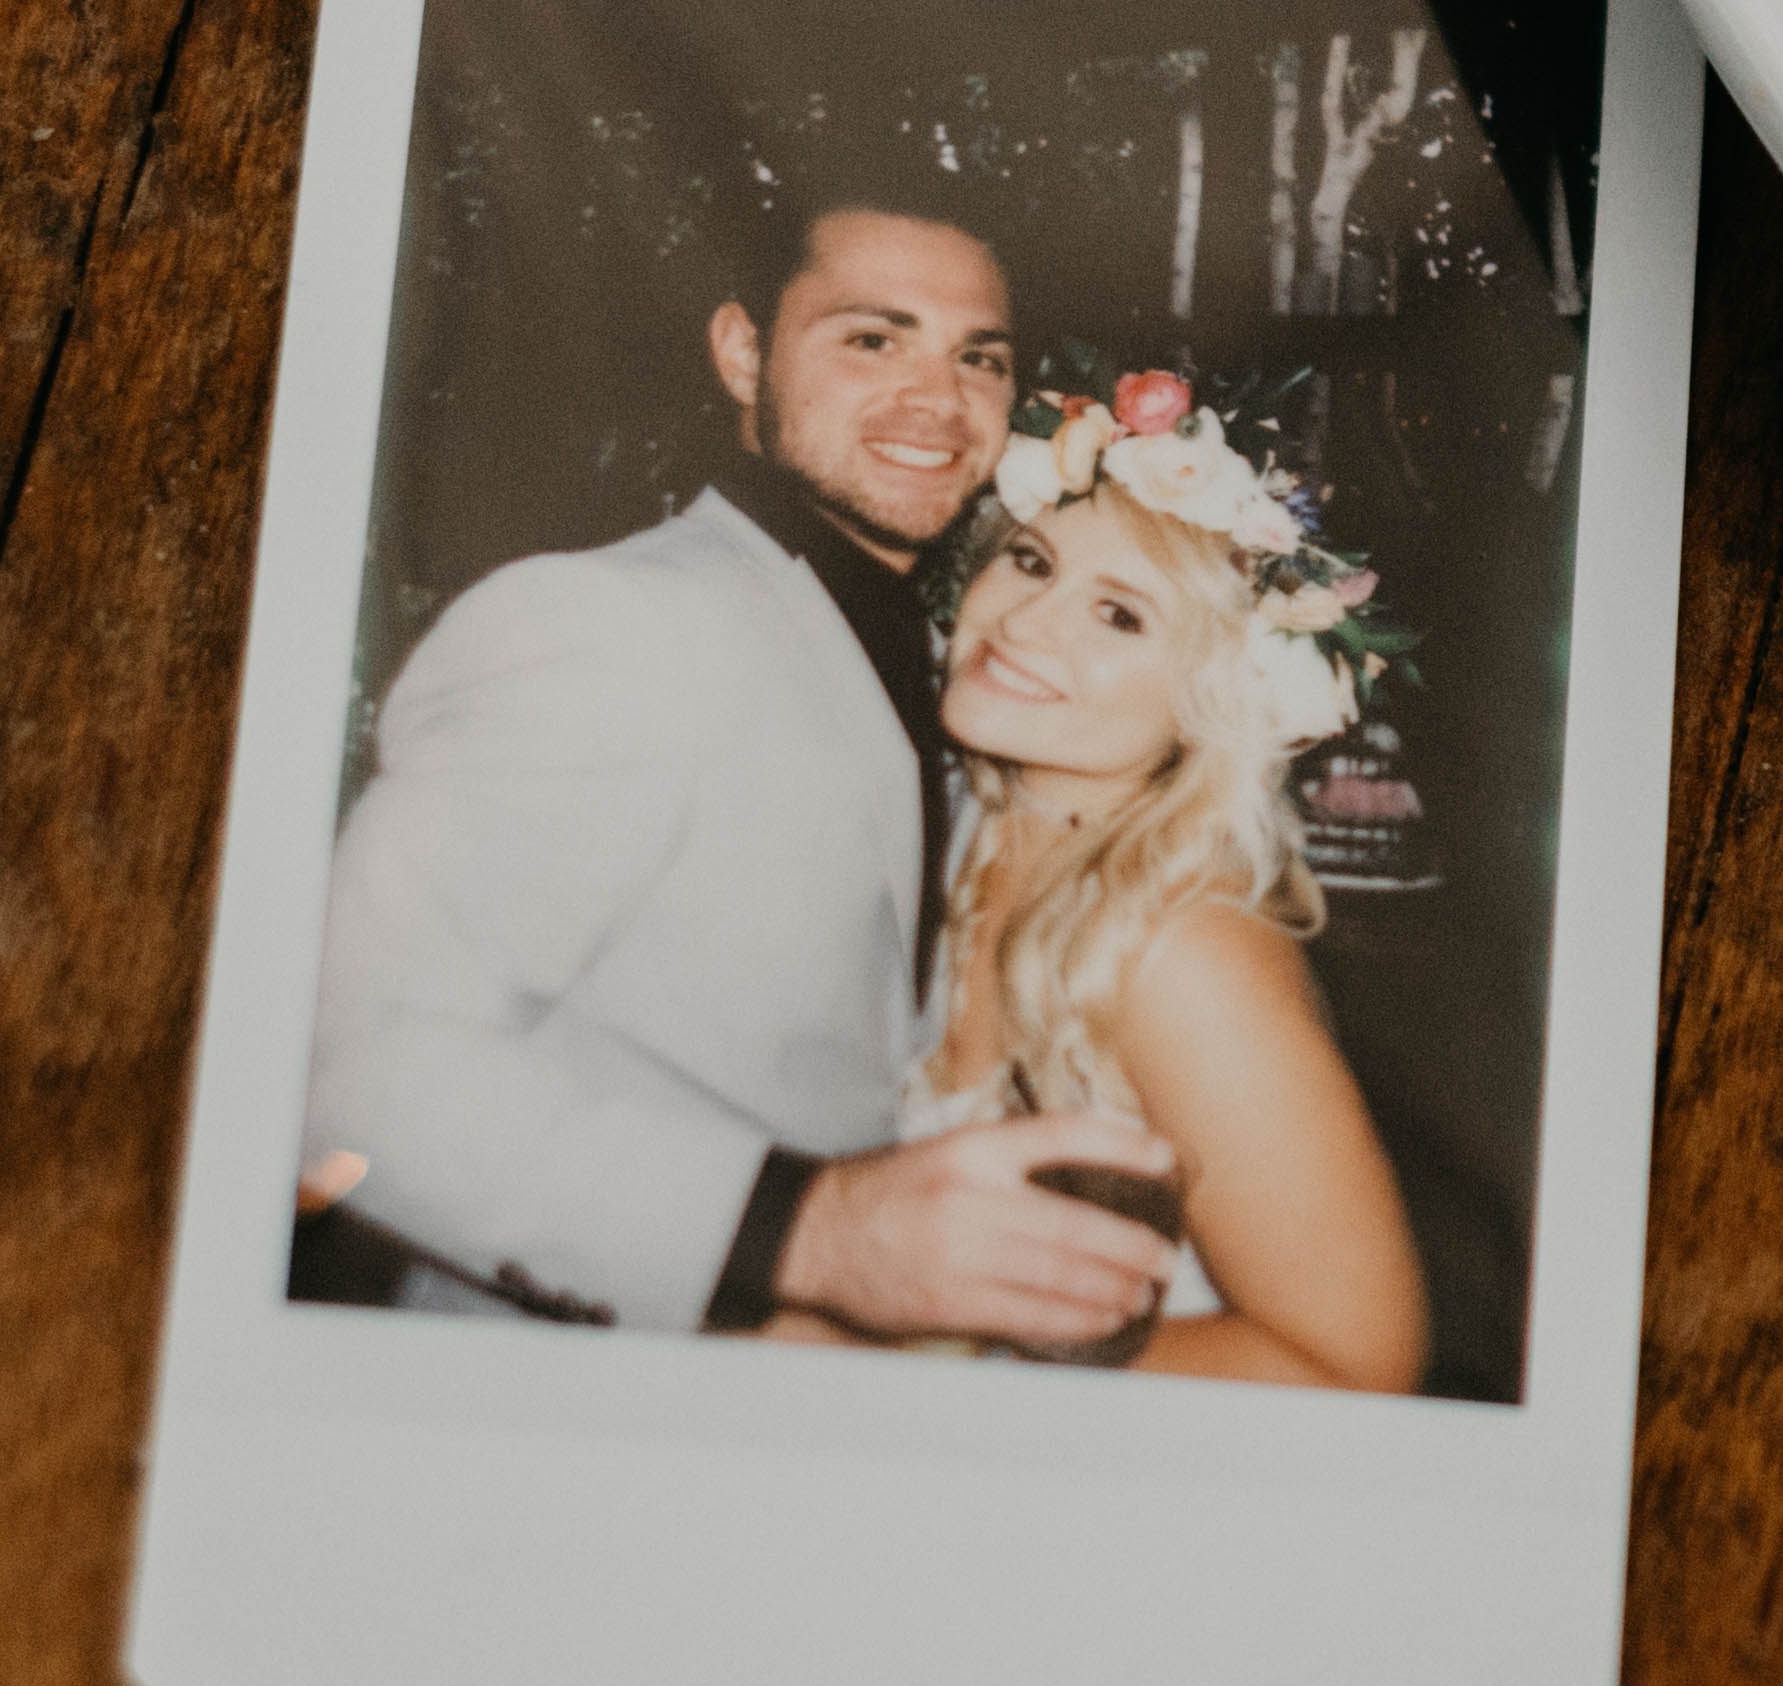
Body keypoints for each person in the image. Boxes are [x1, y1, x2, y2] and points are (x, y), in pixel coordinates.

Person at [304, 175, 1181, 1351]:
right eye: (873, 338)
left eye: (980, 358)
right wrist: (804, 1234)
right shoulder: (601, 621)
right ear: (740, 350)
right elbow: (341, 1069)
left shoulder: (975, 664)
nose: (938, 400)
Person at [880, 369, 1430, 1392]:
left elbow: (1355, 1365)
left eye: (1121, 616)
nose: (1027, 621)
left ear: (1213, 694)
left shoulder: (1186, 954)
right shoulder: (937, 816)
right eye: (1031, 560)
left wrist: (925, 1373)